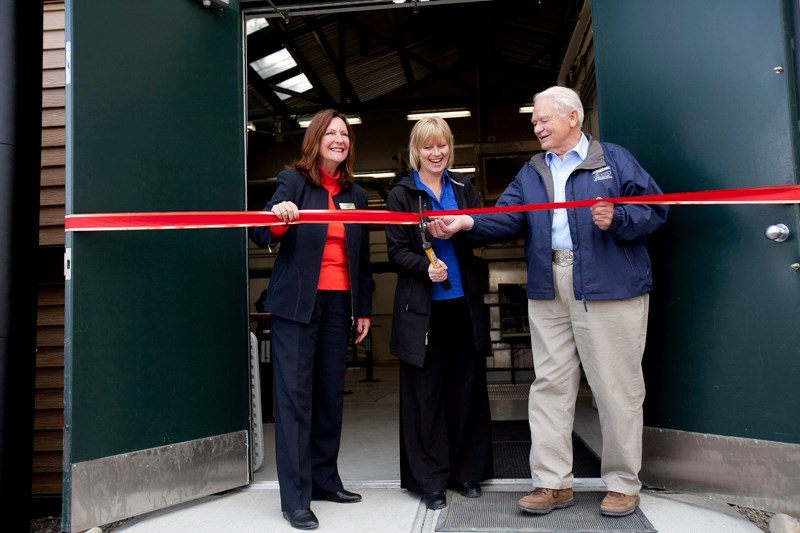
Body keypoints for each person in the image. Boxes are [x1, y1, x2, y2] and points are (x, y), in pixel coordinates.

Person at [428, 86, 668, 517]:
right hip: (548, 284)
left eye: (543, 119)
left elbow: (655, 208)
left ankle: (621, 483)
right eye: (535, 121)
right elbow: (507, 216)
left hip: (607, 285)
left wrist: (620, 218)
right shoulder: (533, 171)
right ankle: (552, 482)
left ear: (572, 117)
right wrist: (466, 221)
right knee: (550, 386)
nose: (536, 126)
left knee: (616, 388)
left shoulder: (611, 160)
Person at [250, 109, 373, 530]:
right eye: (332, 132)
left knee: (328, 396)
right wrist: (280, 216)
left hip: (340, 303)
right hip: (298, 305)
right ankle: (295, 499)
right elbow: (261, 232)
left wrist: (366, 310)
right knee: (295, 400)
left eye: (346, 134)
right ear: (316, 139)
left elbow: (362, 260)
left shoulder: (358, 192)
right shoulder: (294, 182)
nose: (340, 139)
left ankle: (325, 480)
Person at [385, 116, 494, 511]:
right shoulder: (401, 193)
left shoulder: (464, 188)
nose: (436, 153)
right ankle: (430, 480)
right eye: (428, 146)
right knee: (425, 395)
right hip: (423, 310)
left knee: (465, 389)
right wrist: (423, 266)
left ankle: (465, 473)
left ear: (451, 147)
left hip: (463, 304)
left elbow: (485, 228)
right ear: (417, 150)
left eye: (443, 145)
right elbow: (396, 250)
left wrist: (465, 225)